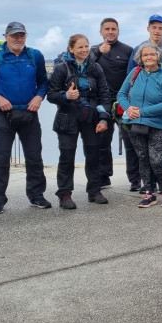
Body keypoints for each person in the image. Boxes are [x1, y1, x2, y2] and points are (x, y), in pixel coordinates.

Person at [0, 22, 50, 214]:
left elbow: (43, 82)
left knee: (34, 157)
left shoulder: (35, 55)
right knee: (0, 159)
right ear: (5, 36)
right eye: (14, 35)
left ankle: (37, 196)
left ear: (26, 36)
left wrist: (38, 97)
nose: (18, 39)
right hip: (3, 115)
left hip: (29, 114)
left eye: (22, 35)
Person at [47, 34, 113, 209]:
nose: (84, 50)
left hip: (90, 118)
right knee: (67, 157)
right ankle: (65, 194)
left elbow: (105, 95)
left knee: (93, 156)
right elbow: (51, 95)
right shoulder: (62, 68)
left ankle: (94, 190)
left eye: (86, 46)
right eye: (80, 47)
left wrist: (104, 118)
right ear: (71, 49)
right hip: (67, 118)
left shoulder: (96, 68)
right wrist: (66, 96)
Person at [118, 42, 162, 208]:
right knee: (143, 158)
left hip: (158, 124)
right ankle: (148, 192)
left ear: (158, 56)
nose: (148, 57)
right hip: (134, 123)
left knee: (157, 159)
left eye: (152, 54)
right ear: (140, 58)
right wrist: (129, 108)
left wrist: (142, 111)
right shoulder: (135, 73)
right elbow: (121, 94)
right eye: (145, 55)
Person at [90, 18, 141, 191]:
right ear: (101, 32)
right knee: (102, 140)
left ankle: (135, 179)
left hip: (122, 101)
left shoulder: (127, 50)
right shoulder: (92, 51)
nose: (110, 32)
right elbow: (85, 69)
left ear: (118, 31)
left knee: (130, 141)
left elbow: (135, 75)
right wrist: (97, 53)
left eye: (113, 29)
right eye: (107, 29)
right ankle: (104, 176)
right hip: (101, 102)